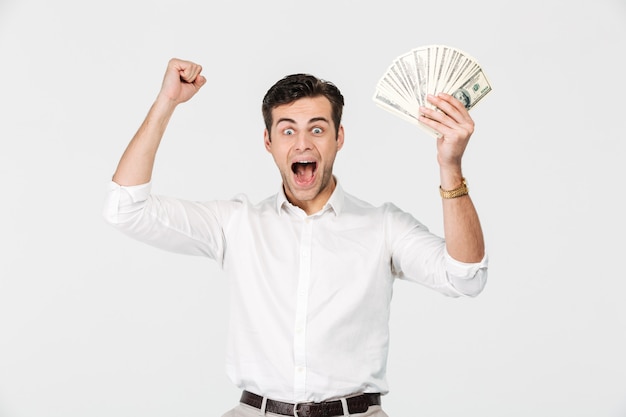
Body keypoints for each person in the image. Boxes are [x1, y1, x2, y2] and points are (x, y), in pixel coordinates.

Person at [103, 58, 488, 417]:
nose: (302, 144)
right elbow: (126, 209)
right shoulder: (236, 224)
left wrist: (450, 165)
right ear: (269, 142)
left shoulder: (382, 225)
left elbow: (465, 277)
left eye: (317, 129)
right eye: (288, 130)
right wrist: (166, 102)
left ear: (339, 137)